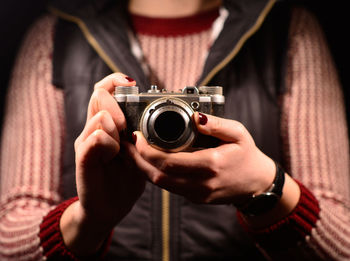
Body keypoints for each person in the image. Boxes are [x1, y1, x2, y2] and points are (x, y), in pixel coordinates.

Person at [0, 0, 349, 260]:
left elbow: (343, 244)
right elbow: (8, 239)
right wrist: (89, 219)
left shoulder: (288, 30)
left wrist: (265, 186)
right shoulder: (57, 36)